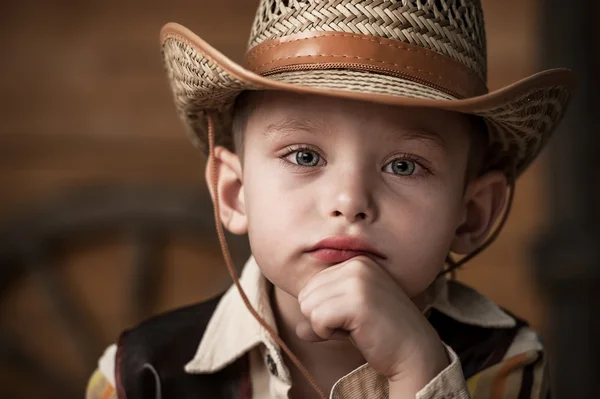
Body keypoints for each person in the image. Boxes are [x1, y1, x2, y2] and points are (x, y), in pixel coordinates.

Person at [86, 0, 574, 398]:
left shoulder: (507, 366)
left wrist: (418, 370)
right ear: (235, 194)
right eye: (303, 155)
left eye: (404, 165)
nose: (349, 200)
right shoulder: (140, 376)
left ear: (471, 215)